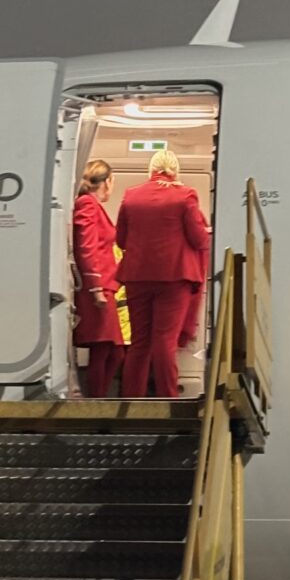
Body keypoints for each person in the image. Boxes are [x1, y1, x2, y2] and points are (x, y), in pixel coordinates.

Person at [115, 149, 210, 397]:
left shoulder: (131, 196)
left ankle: (131, 399)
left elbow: (121, 240)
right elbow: (199, 239)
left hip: (137, 277)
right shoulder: (185, 195)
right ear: (175, 171)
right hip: (174, 277)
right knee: (164, 342)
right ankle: (168, 398)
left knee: (139, 343)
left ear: (151, 170)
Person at [72, 159, 126, 397]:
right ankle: (97, 398)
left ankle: (99, 396)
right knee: (105, 349)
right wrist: (95, 288)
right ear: (107, 181)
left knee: (110, 350)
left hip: (105, 286)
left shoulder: (91, 205)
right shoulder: (88, 205)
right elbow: (86, 247)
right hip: (98, 288)